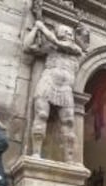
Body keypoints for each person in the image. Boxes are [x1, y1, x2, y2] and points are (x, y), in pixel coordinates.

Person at [24, 20, 85, 163]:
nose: (69, 35)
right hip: (48, 83)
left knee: (69, 121)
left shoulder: (75, 49)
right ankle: (36, 154)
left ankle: (69, 160)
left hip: (65, 89)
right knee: (41, 115)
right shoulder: (50, 47)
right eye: (65, 32)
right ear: (58, 33)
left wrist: (41, 26)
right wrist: (34, 30)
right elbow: (27, 47)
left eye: (71, 33)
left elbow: (58, 43)